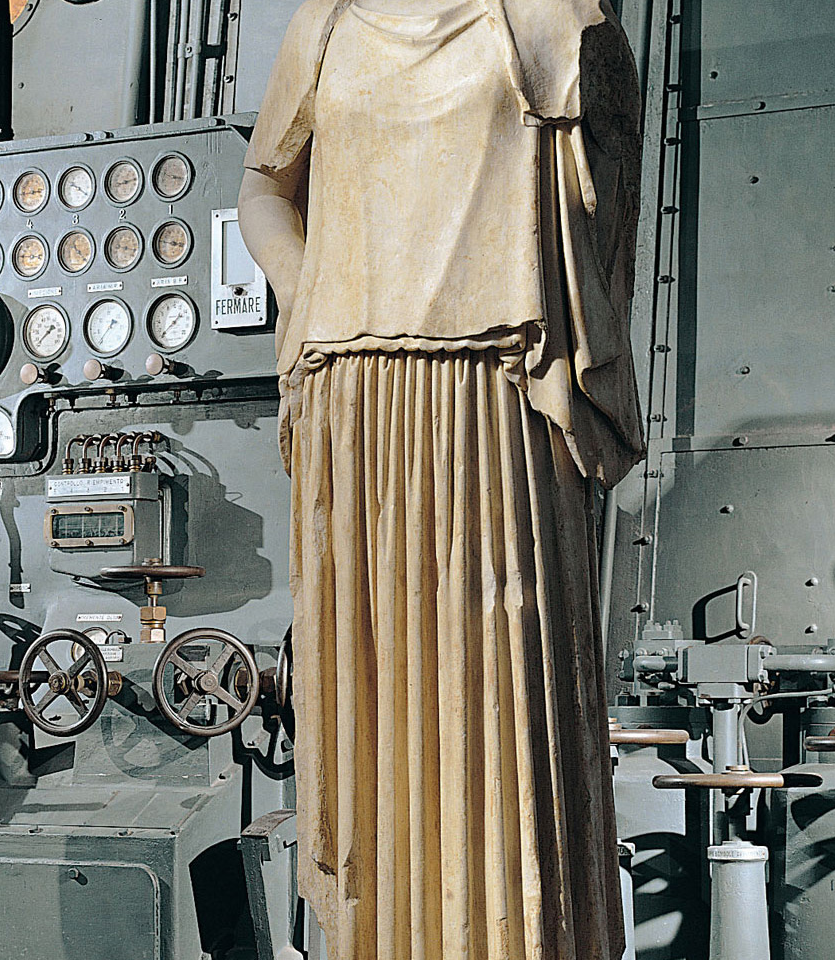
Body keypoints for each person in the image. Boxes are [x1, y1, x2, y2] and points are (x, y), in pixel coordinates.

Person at [237, 0, 645, 955]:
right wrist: (310, 289)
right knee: (371, 707)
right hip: (355, 404)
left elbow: (607, 217)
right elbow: (263, 187)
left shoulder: (556, 18)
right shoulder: (326, 23)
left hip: (493, 398)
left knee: (501, 698)